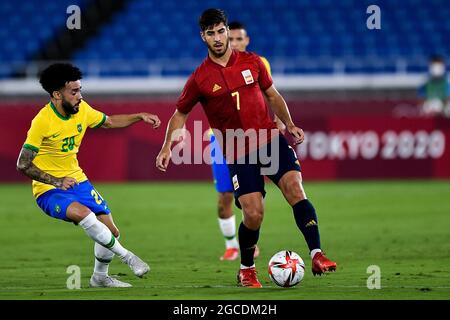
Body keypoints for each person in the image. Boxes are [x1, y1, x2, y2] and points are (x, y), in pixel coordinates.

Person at [156, 9, 336, 288]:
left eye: (220, 31)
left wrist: (289, 124)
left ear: (227, 30)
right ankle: (246, 269)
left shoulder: (253, 62)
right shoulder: (200, 78)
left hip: (270, 140)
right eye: (210, 33)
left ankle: (317, 254)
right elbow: (180, 114)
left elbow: (273, 95)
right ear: (202, 36)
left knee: (295, 188)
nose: (217, 38)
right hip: (238, 151)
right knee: (253, 214)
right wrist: (168, 145)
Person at [16, 63, 161, 288]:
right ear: (56, 94)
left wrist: (139, 116)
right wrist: (56, 181)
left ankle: (99, 278)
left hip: (78, 180)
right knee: (84, 215)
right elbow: (23, 164)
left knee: (111, 231)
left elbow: (110, 122)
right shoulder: (42, 121)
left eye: (80, 90)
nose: (80, 96)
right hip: (49, 189)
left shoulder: (82, 110)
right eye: (74, 92)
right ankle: (128, 257)